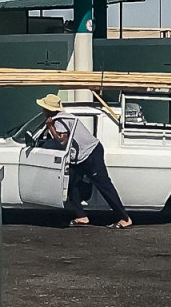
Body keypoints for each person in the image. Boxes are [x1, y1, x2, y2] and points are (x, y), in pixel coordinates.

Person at [36, 93, 133, 229]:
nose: (42, 111)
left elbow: (62, 140)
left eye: (43, 108)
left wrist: (50, 126)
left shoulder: (59, 120)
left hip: (90, 154)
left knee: (104, 185)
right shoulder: (64, 117)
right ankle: (81, 216)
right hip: (79, 157)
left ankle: (125, 218)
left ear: (48, 110)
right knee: (72, 185)